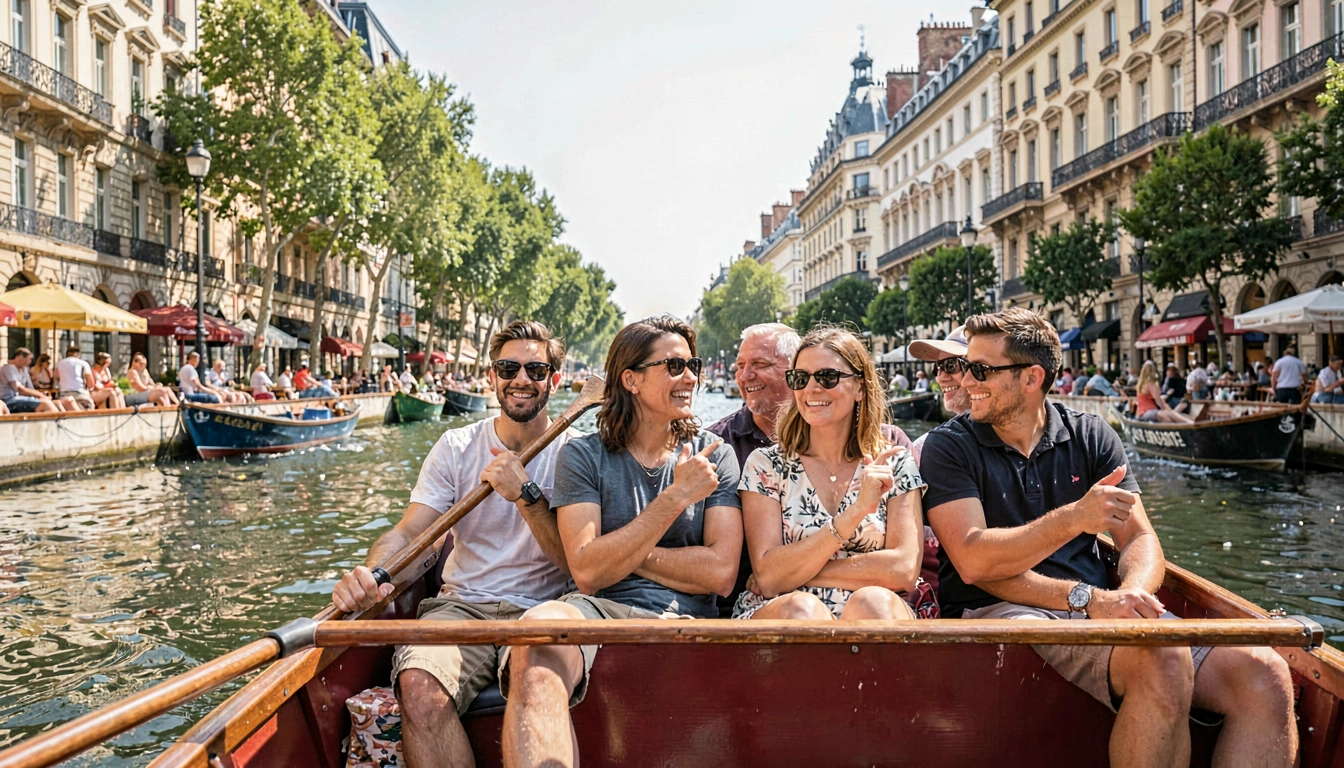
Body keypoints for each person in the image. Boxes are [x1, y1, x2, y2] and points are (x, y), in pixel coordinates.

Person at [921, 308, 1296, 768]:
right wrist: (1080, 551)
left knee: (1266, 675)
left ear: (1031, 378)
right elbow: (975, 562)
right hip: (1003, 608)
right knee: (1163, 657)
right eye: (963, 367)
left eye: (980, 369)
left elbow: (1139, 538)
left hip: (1098, 608)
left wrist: (1133, 593)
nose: (965, 381)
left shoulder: (1092, 435)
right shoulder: (947, 446)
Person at [501, 316, 742, 767]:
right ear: (630, 379)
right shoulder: (582, 454)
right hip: (599, 611)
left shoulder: (715, 454)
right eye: (673, 365)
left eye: (693, 364)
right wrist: (675, 498)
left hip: (688, 617)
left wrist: (619, 551)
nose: (690, 377)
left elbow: (721, 574)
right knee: (535, 634)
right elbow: (588, 573)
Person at [332, 320, 573, 768]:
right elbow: (410, 534)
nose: (521, 379)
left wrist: (526, 495)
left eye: (536, 370)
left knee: (538, 677)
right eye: (508, 368)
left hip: (547, 608)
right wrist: (375, 573)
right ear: (492, 378)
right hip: (462, 607)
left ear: (554, 381)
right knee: (419, 685)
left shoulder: (577, 453)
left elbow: (577, 564)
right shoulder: (456, 446)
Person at [734, 326, 924, 622]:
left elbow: (903, 571)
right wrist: (857, 511)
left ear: (860, 386)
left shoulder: (894, 463)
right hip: (787, 613)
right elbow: (769, 577)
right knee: (802, 610)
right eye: (800, 378)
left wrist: (802, 571)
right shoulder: (766, 466)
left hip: (879, 613)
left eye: (827, 377)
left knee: (872, 602)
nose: (811, 389)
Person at [0, 348, 62, 413]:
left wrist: (41, 395)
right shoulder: (7, 368)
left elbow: (30, 387)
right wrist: (40, 395)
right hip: (9, 400)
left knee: (55, 403)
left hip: (21, 398)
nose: (30, 362)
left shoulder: (24, 369)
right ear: (20, 357)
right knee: (46, 405)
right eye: (29, 359)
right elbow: (20, 390)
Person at [55, 346, 95, 411]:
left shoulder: (59, 364)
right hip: (80, 393)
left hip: (64, 395)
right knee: (90, 407)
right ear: (79, 355)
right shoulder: (83, 363)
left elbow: (56, 378)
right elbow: (91, 384)